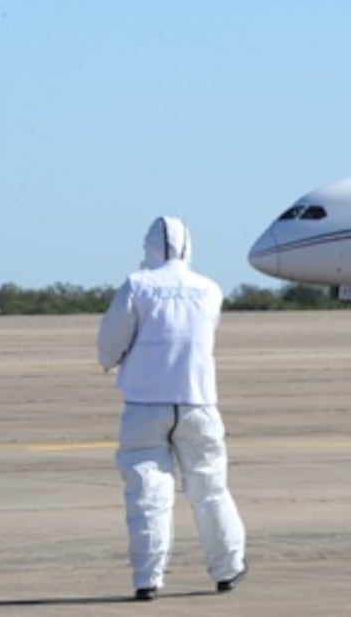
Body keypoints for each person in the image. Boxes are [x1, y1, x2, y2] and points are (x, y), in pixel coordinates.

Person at [97, 216, 247, 601]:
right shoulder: (209, 289)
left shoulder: (137, 285)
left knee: (147, 492)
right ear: (189, 246)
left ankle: (148, 577)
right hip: (199, 403)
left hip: (145, 406)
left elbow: (112, 339)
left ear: (147, 246)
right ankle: (228, 568)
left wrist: (111, 361)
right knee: (210, 487)